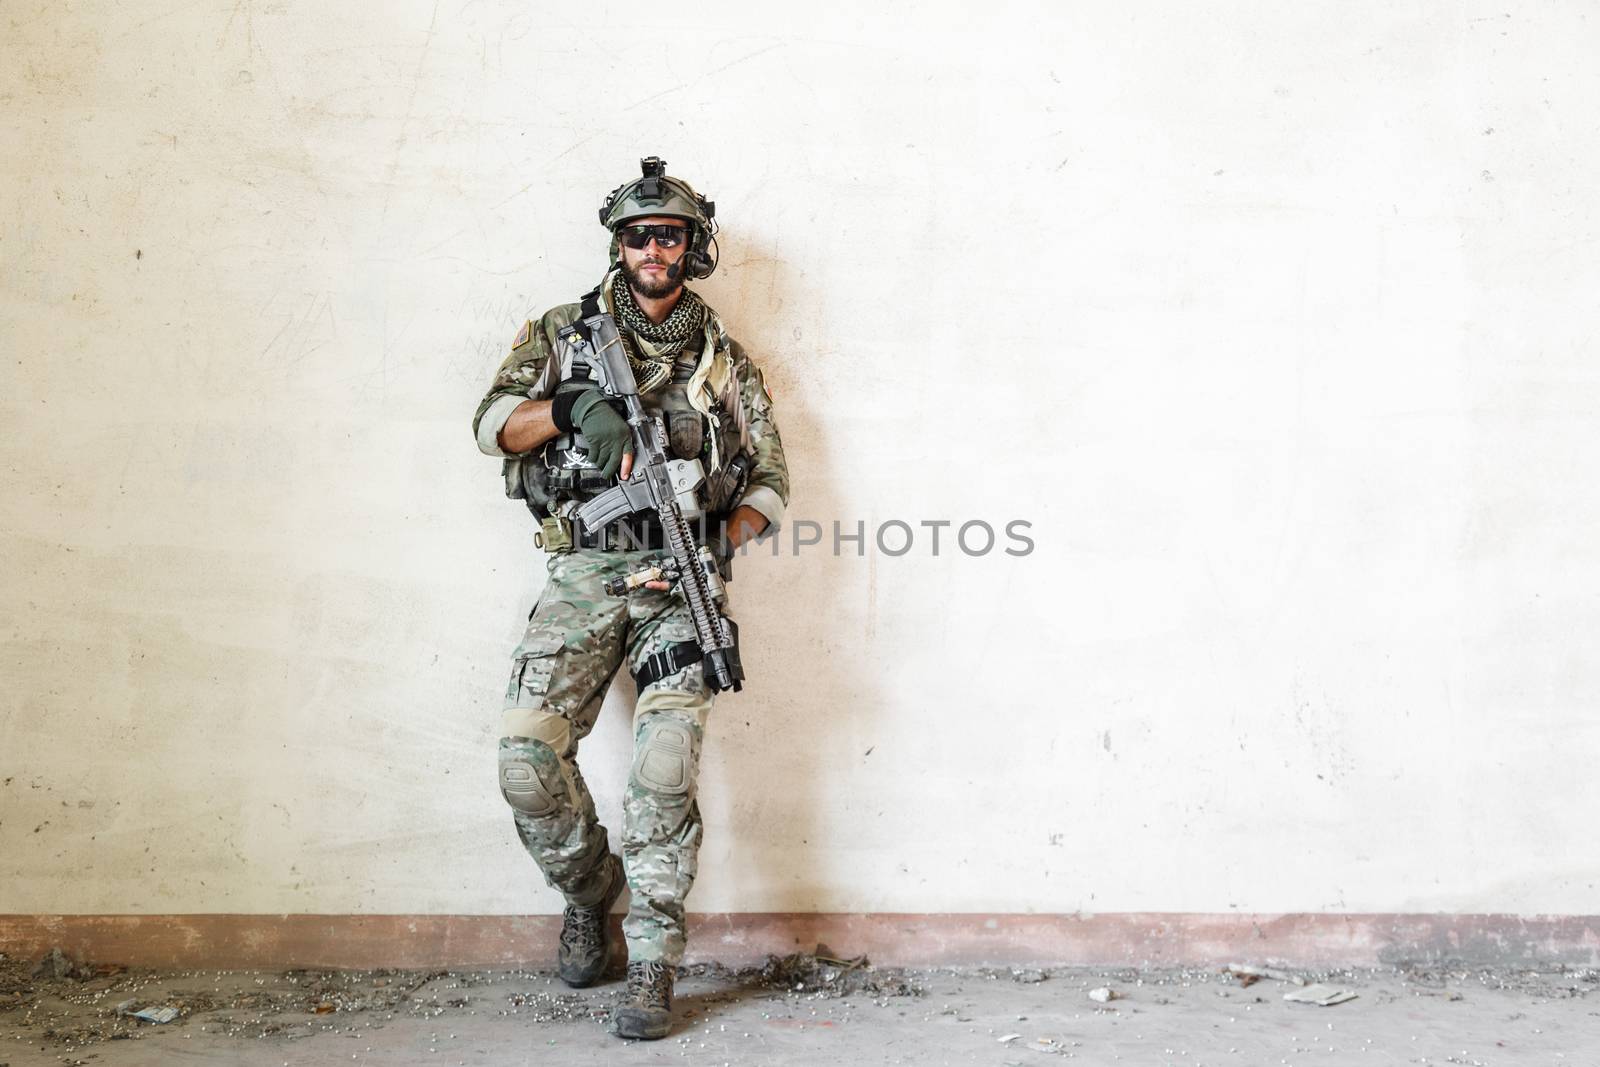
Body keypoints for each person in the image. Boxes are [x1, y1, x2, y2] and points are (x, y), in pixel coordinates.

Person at [471, 158, 789, 1040]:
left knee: (662, 767)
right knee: (524, 761)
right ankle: (590, 894)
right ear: (619, 243)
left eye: (672, 234)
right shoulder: (561, 334)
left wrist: (717, 545)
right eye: (640, 234)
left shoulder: (722, 361)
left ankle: (652, 957)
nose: (655, 248)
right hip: (582, 574)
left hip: (678, 582)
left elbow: (770, 480)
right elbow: (492, 422)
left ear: (694, 247)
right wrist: (573, 407)